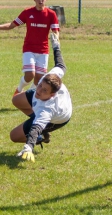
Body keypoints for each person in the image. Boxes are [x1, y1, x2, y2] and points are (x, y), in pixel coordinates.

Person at [10, 33, 72, 162]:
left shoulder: (47, 109)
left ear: (52, 94)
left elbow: (35, 128)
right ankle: (38, 125)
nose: (39, 91)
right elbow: (61, 66)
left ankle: (41, 137)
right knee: (16, 100)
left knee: (14, 136)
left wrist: (29, 146)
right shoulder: (48, 78)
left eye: (44, 90)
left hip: (59, 118)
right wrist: (56, 46)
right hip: (46, 104)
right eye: (40, 86)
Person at [0, 0, 60, 96]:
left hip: (43, 51)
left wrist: (56, 38)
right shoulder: (27, 12)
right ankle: (18, 90)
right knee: (30, 74)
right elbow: (12, 25)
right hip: (29, 49)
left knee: (38, 79)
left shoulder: (51, 14)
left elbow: (55, 31)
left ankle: (29, 96)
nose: (40, 0)